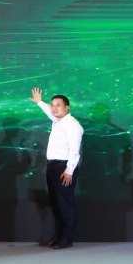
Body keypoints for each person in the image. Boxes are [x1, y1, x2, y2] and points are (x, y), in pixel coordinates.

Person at [28, 87, 83, 249]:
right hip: (52, 166)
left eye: (58, 105)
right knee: (56, 203)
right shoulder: (57, 120)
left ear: (67, 107)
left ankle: (67, 238)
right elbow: (48, 111)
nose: (54, 108)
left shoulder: (72, 125)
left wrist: (69, 171)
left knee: (65, 204)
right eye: (53, 105)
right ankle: (58, 236)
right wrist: (39, 102)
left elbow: (74, 150)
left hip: (63, 167)